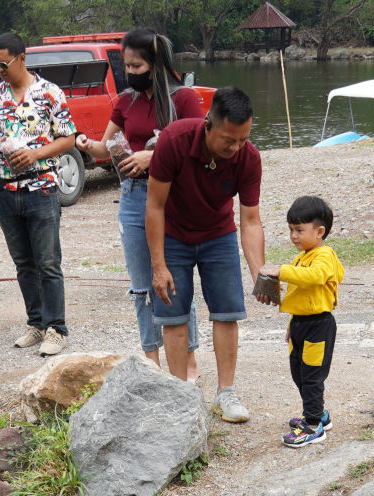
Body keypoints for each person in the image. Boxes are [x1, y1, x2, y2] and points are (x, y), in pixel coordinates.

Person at [75, 29, 203, 375]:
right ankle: (151, 360)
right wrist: (84, 144)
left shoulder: (184, 99)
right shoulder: (126, 101)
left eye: (137, 65)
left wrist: (153, 155)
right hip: (133, 198)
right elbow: (107, 146)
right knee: (141, 283)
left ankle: (188, 359)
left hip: (173, 197)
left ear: (157, 63)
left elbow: (197, 149)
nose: (130, 72)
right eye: (126, 65)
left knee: (174, 278)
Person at [145, 86, 265, 423]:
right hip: (174, 234)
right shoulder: (174, 140)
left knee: (228, 312)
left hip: (218, 234)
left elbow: (251, 221)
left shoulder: (248, 157)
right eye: (229, 139)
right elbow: (154, 206)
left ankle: (225, 393)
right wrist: (158, 265)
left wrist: (260, 274)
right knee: (174, 314)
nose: (236, 147)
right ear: (208, 124)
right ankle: (181, 395)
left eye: (243, 139)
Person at [0, 32, 77, 357]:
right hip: (6, 191)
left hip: (42, 188)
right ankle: (36, 324)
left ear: (22, 58)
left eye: (3, 64)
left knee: (48, 262)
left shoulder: (49, 93)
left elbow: (69, 139)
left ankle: (56, 329)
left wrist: (35, 154)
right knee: (23, 263)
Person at [258, 195, 344, 448]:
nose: (294, 235)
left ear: (319, 232)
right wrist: (290, 327)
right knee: (298, 372)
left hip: (319, 324)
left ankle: (315, 425)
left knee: (312, 375)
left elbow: (315, 278)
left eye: (299, 230)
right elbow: (299, 295)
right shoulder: (302, 256)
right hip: (300, 324)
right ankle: (317, 414)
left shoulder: (323, 256)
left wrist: (281, 271)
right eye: (291, 230)